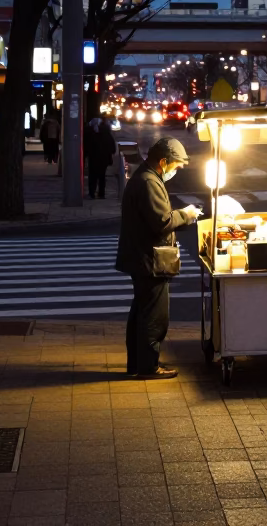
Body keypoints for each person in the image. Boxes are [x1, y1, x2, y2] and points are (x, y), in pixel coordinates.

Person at [116, 137, 201, 379]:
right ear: (163, 162)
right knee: (154, 316)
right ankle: (148, 367)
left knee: (142, 313)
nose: (179, 168)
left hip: (143, 258)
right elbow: (161, 221)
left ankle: (138, 363)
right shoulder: (148, 182)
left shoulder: (146, 178)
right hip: (148, 261)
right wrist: (186, 215)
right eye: (176, 164)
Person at [85, 117, 117, 199]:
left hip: (93, 158)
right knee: (102, 176)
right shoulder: (107, 134)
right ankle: (101, 193)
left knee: (93, 176)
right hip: (104, 159)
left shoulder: (91, 134)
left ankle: (92, 193)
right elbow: (113, 149)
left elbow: (87, 147)